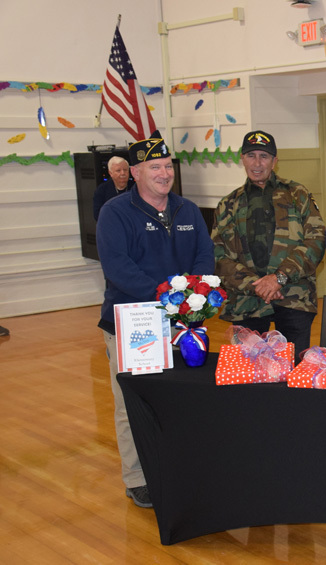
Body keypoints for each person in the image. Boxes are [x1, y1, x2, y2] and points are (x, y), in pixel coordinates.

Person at [96, 131, 215, 508]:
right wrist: (169, 300)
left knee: (182, 398)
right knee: (132, 405)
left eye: (167, 166)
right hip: (133, 324)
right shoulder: (115, 213)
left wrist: (193, 299)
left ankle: (180, 466)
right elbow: (118, 269)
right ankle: (137, 477)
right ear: (135, 172)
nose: (164, 173)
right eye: (154, 167)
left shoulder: (187, 210)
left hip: (184, 324)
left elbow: (204, 257)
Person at [211, 131, 325, 362]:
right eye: (251, 155)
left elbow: (316, 241)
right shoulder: (228, 204)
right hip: (246, 302)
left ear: (275, 161)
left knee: (294, 372)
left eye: (264, 156)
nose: (257, 163)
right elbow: (218, 256)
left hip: (293, 296)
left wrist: (279, 278)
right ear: (242, 158)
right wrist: (257, 286)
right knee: (250, 376)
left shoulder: (297, 194)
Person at [93, 155, 134, 220]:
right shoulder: (102, 190)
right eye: (118, 171)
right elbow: (98, 215)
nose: (123, 173)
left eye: (125, 170)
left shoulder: (136, 188)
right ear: (110, 173)